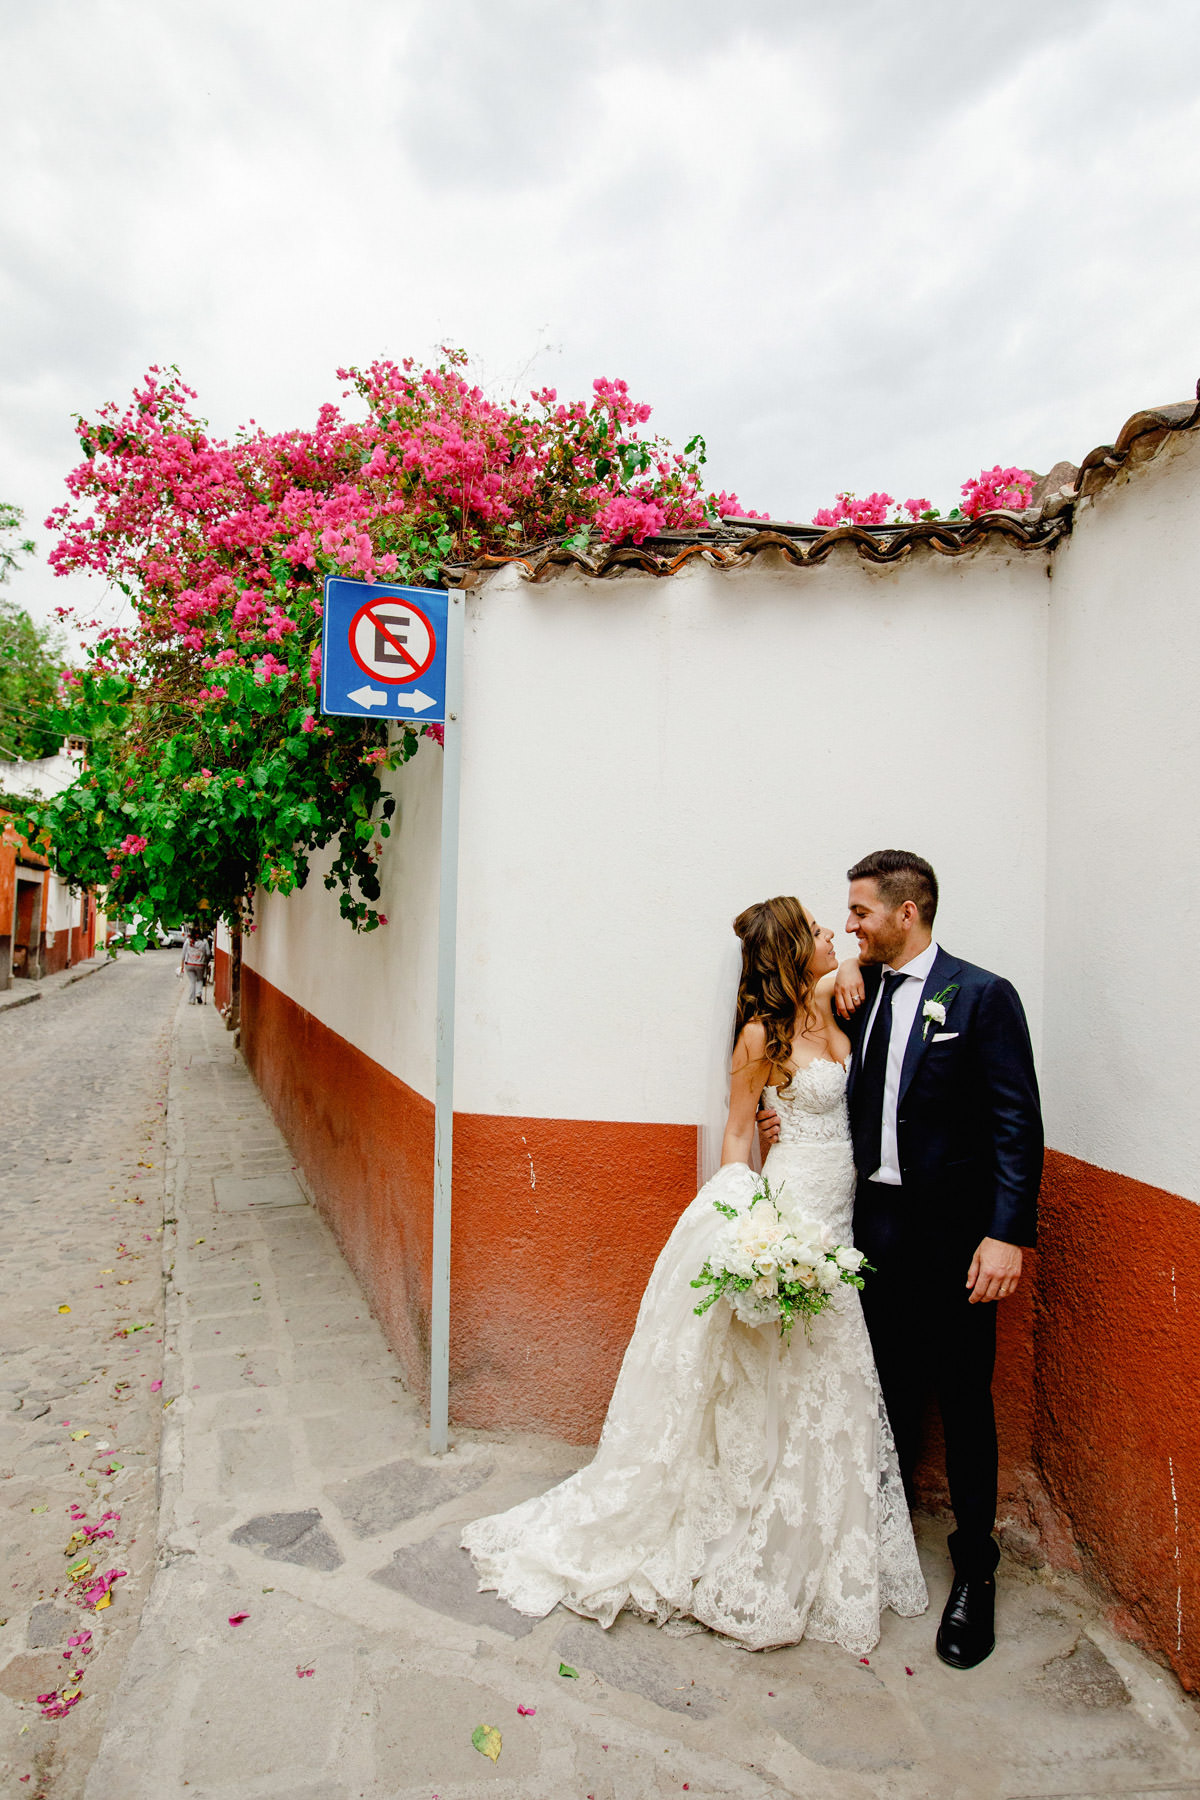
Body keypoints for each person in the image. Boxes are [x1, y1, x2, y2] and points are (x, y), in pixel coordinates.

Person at [462, 897, 928, 1655]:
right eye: (815, 928)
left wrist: (845, 962)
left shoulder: (837, 1000)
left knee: (835, 1377)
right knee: (773, 1381)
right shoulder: (759, 1036)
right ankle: (752, 1530)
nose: (830, 933)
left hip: (846, 1215)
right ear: (787, 950)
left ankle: (825, 1539)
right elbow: (740, 1132)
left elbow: (878, 958)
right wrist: (751, 1227)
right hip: (794, 1210)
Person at [759, 851, 1042, 1671]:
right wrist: (776, 1121)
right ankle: (868, 1548)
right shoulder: (857, 989)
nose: (848, 925)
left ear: (907, 911)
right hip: (866, 1228)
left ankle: (975, 1573)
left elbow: (1015, 1123)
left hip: (957, 1240)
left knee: (963, 1396)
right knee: (870, 1385)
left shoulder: (982, 996)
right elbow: (799, 1059)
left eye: (860, 912)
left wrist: (1006, 1232)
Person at [179, 927, 211, 1004]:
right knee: (199, 980)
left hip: (189, 964)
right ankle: (198, 993)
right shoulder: (204, 942)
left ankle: (191, 999)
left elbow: (183, 954)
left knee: (192, 981)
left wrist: (182, 966)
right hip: (200, 964)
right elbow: (208, 953)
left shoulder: (187, 941)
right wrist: (205, 959)